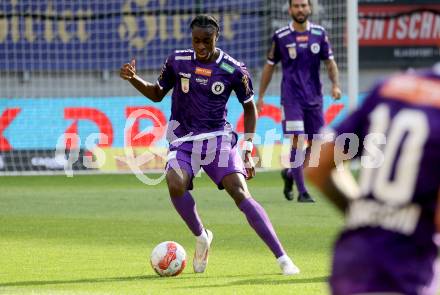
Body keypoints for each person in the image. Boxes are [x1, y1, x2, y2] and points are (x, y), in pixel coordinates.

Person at [120, 14, 299, 275]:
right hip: (183, 141)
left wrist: (248, 148)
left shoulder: (233, 69)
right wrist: (133, 78)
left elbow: (250, 108)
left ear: (217, 37)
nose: (201, 46)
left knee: (239, 192)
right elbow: (157, 94)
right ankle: (202, 235)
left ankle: (283, 258)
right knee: (175, 184)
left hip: (218, 139)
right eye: (196, 41)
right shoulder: (177, 61)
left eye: (206, 41)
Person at [305, 64, 440, 295]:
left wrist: (367, 216)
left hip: (353, 258)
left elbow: (317, 165)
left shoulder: (390, 88)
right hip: (407, 266)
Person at [257, 0, 341, 202]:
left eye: (304, 5)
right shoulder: (281, 36)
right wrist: (260, 96)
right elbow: (270, 66)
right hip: (291, 99)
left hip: (314, 98)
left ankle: (289, 174)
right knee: (297, 140)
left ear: (310, 8)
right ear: (289, 9)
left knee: (317, 146)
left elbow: (330, 62)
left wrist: (335, 85)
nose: (300, 9)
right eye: (296, 6)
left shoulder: (320, 34)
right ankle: (303, 192)